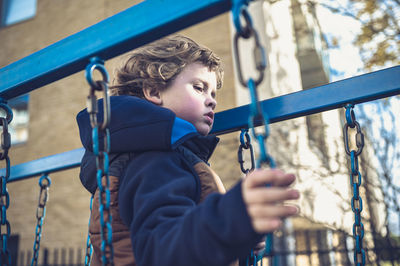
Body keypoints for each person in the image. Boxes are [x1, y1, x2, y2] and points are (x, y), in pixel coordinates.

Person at [77, 35, 299, 266]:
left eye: (213, 94)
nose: (212, 101)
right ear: (154, 92)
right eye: (199, 88)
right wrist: (229, 218)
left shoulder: (150, 152)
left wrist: (239, 238)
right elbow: (162, 247)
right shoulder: (154, 160)